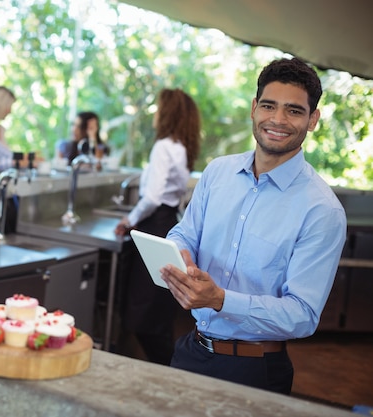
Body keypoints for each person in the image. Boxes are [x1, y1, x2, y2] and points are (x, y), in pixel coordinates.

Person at [161, 57, 347, 394]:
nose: (277, 119)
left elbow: (302, 314)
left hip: (255, 370)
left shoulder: (322, 210)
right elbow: (183, 233)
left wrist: (220, 299)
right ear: (253, 109)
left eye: (293, 110)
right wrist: (183, 259)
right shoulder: (217, 173)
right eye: (269, 106)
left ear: (313, 119)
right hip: (191, 350)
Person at [113, 88, 201, 366]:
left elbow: (152, 197)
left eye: (158, 108)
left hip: (154, 226)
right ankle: (172, 370)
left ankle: (173, 372)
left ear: (168, 113)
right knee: (157, 313)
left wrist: (129, 220)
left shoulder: (164, 146)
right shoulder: (182, 147)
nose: (155, 113)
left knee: (145, 316)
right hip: (167, 225)